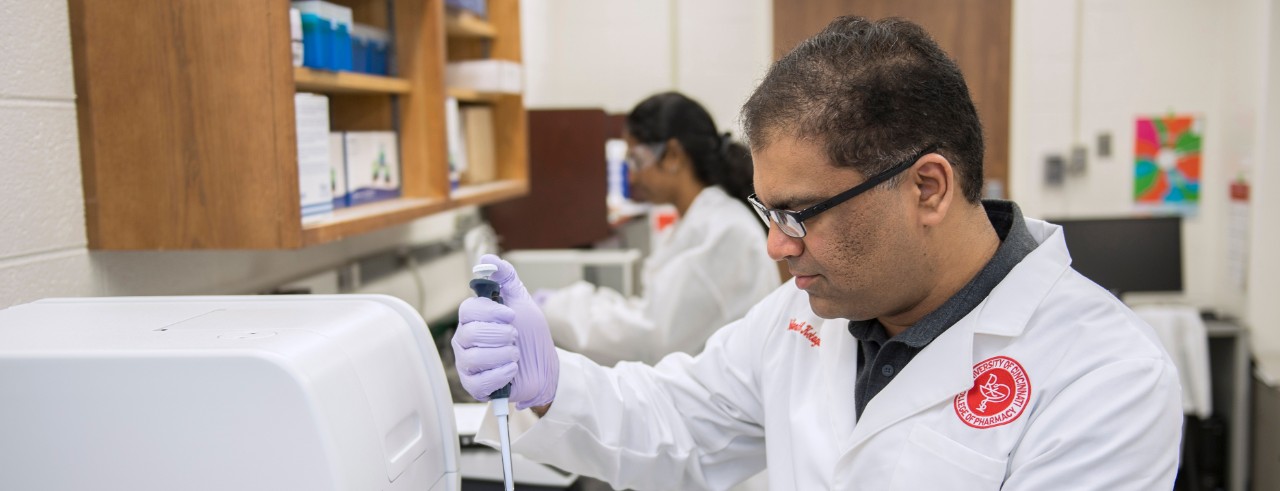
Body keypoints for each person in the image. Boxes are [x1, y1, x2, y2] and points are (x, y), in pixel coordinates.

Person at [453, 16, 1183, 490]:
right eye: (769, 213)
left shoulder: (1104, 376)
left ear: (928, 188)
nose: (776, 244)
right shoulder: (804, 316)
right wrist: (550, 386)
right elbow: (679, 421)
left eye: (800, 214)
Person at [535, 92, 780, 366]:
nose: (632, 176)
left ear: (673, 155)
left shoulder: (722, 231)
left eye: (637, 160)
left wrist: (555, 310)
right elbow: (658, 316)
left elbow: (652, 338)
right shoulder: (700, 220)